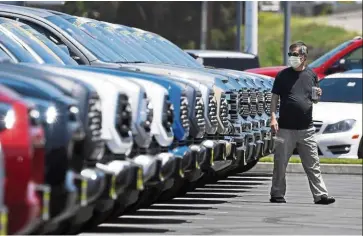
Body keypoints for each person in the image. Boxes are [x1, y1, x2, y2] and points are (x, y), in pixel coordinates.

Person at [269, 41, 335, 205]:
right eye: (290, 55)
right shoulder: (282, 75)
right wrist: (272, 117)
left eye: (295, 55)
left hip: (307, 129)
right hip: (284, 129)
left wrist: (318, 95)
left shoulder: (311, 75)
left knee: (313, 163)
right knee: (280, 163)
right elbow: (275, 97)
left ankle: (320, 195)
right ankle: (277, 194)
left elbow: (315, 99)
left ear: (304, 57)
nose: (292, 58)